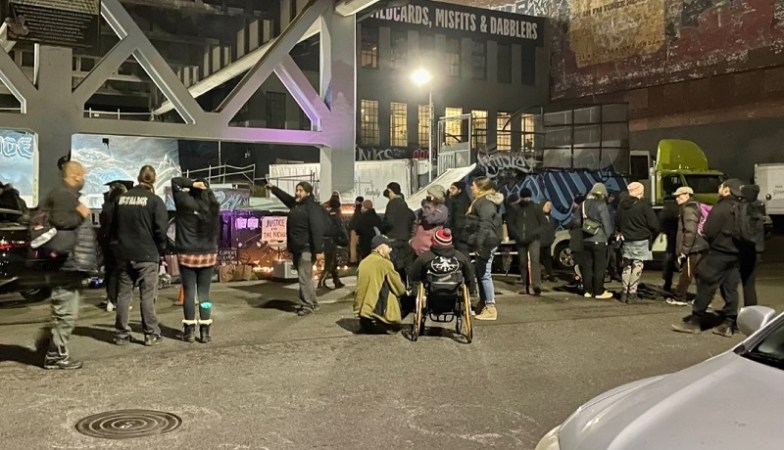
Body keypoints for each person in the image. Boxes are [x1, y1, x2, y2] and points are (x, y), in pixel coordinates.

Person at [38, 162, 94, 370]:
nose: (84, 179)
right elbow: (61, 220)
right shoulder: (63, 194)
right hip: (65, 264)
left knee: (68, 311)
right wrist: (81, 213)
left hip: (70, 265)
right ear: (75, 176)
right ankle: (55, 355)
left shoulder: (64, 194)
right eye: (83, 175)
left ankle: (55, 350)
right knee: (66, 312)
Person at [672, 179, 744, 337]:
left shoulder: (721, 207)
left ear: (726, 190)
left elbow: (708, 230)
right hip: (738, 254)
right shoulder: (743, 207)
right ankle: (728, 323)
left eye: (721, 186)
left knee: (705, 283)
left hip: (720, 252)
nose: (719, 189)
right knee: (730, 287)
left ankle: (695, 321)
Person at [112, 165, 168, 346]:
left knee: (123, 295)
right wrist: (161, 249)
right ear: (153, 180)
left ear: (138, 177)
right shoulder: (155, 201)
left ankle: (121, 334)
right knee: (147, 295)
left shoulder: (121, 200)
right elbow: (161, 230)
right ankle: (150, 333)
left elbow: (113, 226)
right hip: (147, 254)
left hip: (124, 253)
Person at [171, 177, 220, 343]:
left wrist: (191, 184)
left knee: (189, 292)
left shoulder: (184, 202)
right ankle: (205, 332)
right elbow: (211, 197)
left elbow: (175, 182)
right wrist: (206, 188)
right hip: (208, 254)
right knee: (204, 294)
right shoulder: (213, 207)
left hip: (187, 254)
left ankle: (189, 331)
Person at [268, 180, 325, 316]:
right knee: (306, 277)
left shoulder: (312, 208)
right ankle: (313, 302)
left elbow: (317, 229)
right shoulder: (296, 205)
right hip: (297, 248)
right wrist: (274, 189)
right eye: (297, 190)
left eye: (300, 190)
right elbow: (286, 197)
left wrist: (318, 251)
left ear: (308, 192)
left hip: (307, 248)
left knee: (304, 277)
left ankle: (307, 305)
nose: (297, 193)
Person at [464, 176, 504, 320]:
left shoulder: (486, 203)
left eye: (473, 186)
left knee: (485, 274)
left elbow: (485, 225)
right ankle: (482, 304)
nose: (471, 188)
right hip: (484, 241)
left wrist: (479, 245)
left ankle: (490, 307)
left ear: (481, 188)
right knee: (480, 273)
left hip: (487, 242)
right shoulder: (480, 201)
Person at [616, 182, 659, 303]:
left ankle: (624, 292)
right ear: (640, 192)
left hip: (626, 240)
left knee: (626, 266)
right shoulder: (644, 206)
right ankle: (632, 293)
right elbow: (654, 224)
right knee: (637, 265)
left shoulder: (621, 206)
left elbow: (617, 223)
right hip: (641, 239)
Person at [353, 235, 406, 333]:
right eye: (388, 247)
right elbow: (399, 289)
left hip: (361, 313)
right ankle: (390, 320)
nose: (390, 249)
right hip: (377, 313)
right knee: (395, 290)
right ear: (380, 248)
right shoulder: (385, 263)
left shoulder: (363, 262)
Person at [666, 186, 709, 306]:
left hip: (694, 247)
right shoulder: (694, 206)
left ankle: (679, 297)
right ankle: (703, 299)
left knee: (687, 273)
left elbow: (690, 231)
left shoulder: (688, 209)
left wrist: (684, 250)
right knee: (699, 274)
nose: (676, 199)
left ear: (687, 195)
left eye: (679, 196)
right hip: (701, 245)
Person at [408, 227, 477, 298]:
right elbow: (469, 275)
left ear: (434, 242)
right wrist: (471, 290)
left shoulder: (425, 257)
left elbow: (414, 275)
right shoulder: (460, 257)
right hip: (453, 291)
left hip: (432, 291)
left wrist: (415, 291)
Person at [97, 180, 133, 312]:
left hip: (107, 242)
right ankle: (120, 301)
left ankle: (110, 300)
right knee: (122, 272)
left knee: (110, 272)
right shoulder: (122, 208)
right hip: (120, 242)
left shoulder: (106, 206)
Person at [506, 188, 546, 295]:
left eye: (527, 197)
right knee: (522, 263)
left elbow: (543, 224)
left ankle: (536, 285)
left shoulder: (536, 208)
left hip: (533, 239)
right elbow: (511, 224)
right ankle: (525, 285)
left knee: (534, 262)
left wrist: (533, 233)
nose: (526, 199)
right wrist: (517, 234)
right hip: (521, 239)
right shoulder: (516, 209)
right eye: (524, 197)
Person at [580, 183, 613, 299]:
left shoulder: (583, 204)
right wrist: (607, 237)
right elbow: (607, 224)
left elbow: (575, 220)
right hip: (599, 240)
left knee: (587, 267)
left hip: (585, 239)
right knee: (599, 267)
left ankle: (587, 291)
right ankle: (598, 291)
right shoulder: (601, 205)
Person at [380, 182, 416, 283]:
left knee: (394, 265)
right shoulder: (404, 204)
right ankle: (409, 286)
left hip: (393, 237)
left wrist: (382, 227)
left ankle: (396, 286)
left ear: (391, 191)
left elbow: (389, 222)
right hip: (405, 238)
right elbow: (411, 217)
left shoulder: (392, 203)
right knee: (406, 264)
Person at [737, 184, 764, 307]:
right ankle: (751, 308)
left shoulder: (746, 208)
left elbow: (744, 230)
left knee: (746, 282)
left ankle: (749, 311)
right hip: (757, 248)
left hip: (748, 249)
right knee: (749, 282)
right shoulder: (759, 206)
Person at [410, 184, 449, 256]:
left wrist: (428, 208)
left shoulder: (442, 209)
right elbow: (417, 222)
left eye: (430, 195)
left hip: (430, 244)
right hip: (418, 243)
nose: (428, 197)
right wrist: (412, 237)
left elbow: (430, 220)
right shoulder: (425, 208)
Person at [319, 198, 347, 289]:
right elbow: (339, 229)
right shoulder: (336, 216)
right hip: (331, 242)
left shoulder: (328, 214)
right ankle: (321, 282)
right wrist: (344, 238)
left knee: (333, 263)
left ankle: (337, 281)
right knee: (330, 263)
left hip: (327, 241)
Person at [446, 181, 471, 255]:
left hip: (459, 232)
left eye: (453, 188)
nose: (450, 190)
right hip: (459, 231)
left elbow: (457, 218)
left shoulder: (459, 202)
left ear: (459, 190)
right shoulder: (462, 199)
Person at [539, 199, 557, 282]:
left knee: (548, 259)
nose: (549, 207)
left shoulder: (551, 218)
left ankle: (549, 274)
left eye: (550, 205)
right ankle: (540, 275)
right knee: (538, 259)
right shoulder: (538, 217)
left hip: (548, 242)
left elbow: (552, 229)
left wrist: (552, 237)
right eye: (547, 205)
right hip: (539, 242)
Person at [348, 196, 363, 265]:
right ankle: (358, 259)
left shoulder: (357, 210)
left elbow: (353, 221)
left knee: (353, 246)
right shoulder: (362, 211)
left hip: (354, 229)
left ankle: (353, 260)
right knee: (359, 246)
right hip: (360, 230)